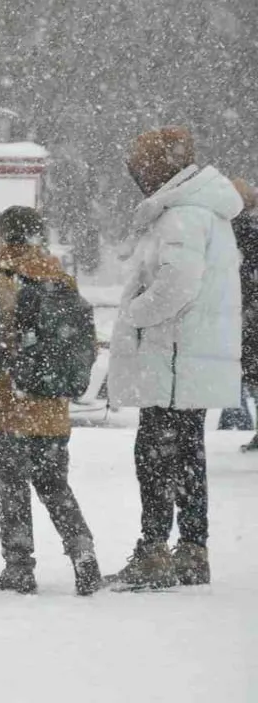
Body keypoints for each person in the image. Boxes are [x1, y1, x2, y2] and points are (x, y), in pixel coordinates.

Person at [105, 127, 243, 590]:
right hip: (188, 356)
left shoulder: (181, 215)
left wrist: (135, 312)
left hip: (173, 357)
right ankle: (191, 550)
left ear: (156, 168)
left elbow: (177, 286)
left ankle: (153, 551)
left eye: (139, 163)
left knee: (155, 454)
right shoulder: (205, 212)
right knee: (186, 453)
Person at [0, 206, 103, 596]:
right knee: (54, 484)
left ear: (5, 236)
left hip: (11, 401)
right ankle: (84, 556)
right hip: (52, 405)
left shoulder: (2, 278)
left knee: (13, 487)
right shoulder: (60, 277)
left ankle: (19, 566)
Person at [229, 179, 258, 450]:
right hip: (248, 313)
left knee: (247, 372)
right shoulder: (247, 228)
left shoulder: (244, 229)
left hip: (248, 314)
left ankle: (234, 421)